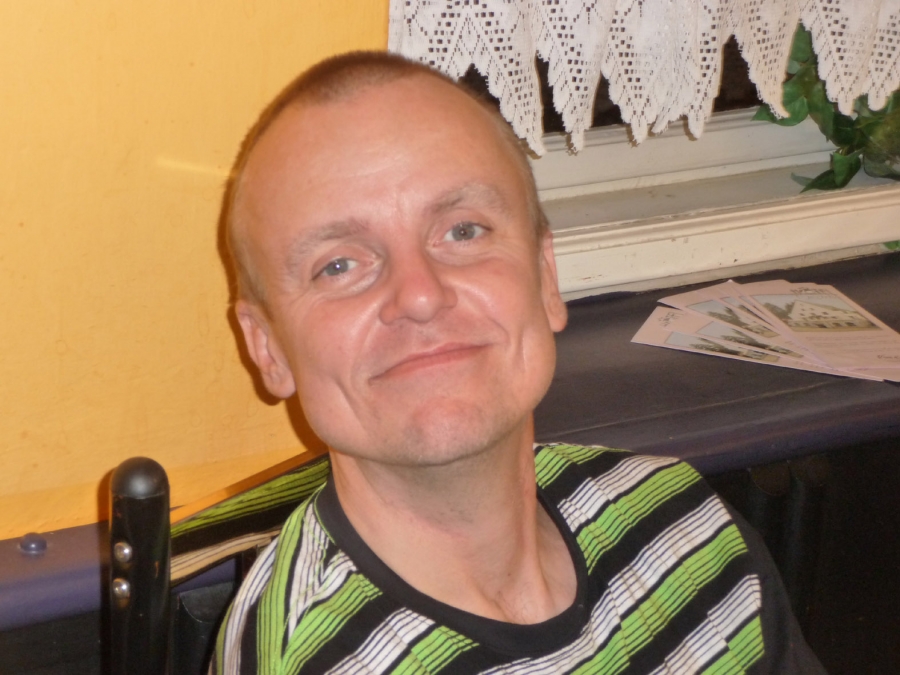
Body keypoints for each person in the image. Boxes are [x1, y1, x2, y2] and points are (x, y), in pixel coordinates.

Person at [211, 51, 825, 674]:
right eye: (339, 265)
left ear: (545, 276)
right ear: (268, 348)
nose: (420, 294)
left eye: (463, 231)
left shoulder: (683, 524)